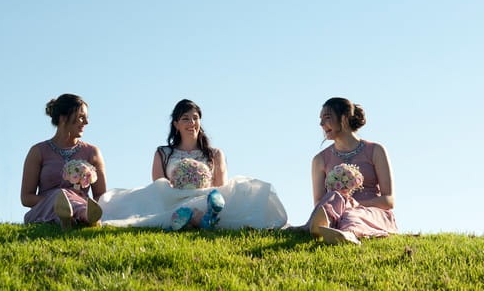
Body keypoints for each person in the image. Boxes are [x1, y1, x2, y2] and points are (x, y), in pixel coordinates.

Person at [99, 99, 288, 230]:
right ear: (176, 124)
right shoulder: (163, 153)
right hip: (174, 198)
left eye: (195, 118)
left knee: (233, 193)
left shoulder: (214, 154)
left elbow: (221, 187)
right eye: (185, 119)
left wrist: (201, 190)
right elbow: (158, 186)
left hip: (206, 196)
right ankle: (193, 218)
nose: (192, 123)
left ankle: (198, 216)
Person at [304, 97, 397, 244]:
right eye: (320, 119)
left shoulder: (375, 151)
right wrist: (341, 203)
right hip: (337, 212)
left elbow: (388, 201)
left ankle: (348, 234)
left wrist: (353, 204)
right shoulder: (319, 160)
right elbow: (319, 204)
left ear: (345, 118)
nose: (321, 124)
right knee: (334, 197)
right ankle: (317, 227)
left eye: (327, 117)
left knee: (353, 215)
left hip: (372, 213)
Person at [21, 94, 107, 229]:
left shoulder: (92, 152)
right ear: (63, 118)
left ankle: (77, 216)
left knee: (70, 199)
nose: (86, 122)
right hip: (44, 210)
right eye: (81, 117)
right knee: (60, 194)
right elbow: (26, 198)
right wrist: (58, 200)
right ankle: (76, 216)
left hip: (83, 205)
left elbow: (100, 196)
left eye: (86, 117)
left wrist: (77, 201)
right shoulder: (38, 151)